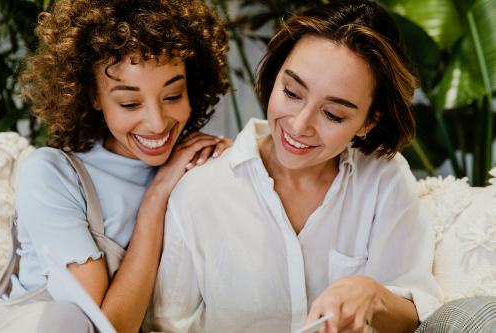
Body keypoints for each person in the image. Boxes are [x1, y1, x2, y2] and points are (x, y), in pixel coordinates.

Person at [144, 1, 443, 332]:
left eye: (333, 114)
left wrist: (371, 295)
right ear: (275, 77)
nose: (300, 126)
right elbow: (166, 324)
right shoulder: (199, 192)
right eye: (291, 92)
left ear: (367, 122)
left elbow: (415, 313)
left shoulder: (383, 179)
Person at [0, 0, 229, 332]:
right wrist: (156, 197)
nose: (156, 122)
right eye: (130, 102)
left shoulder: (198, 165)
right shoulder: (51, 173)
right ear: (92, 95)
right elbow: (104, 326)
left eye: (173, 95)